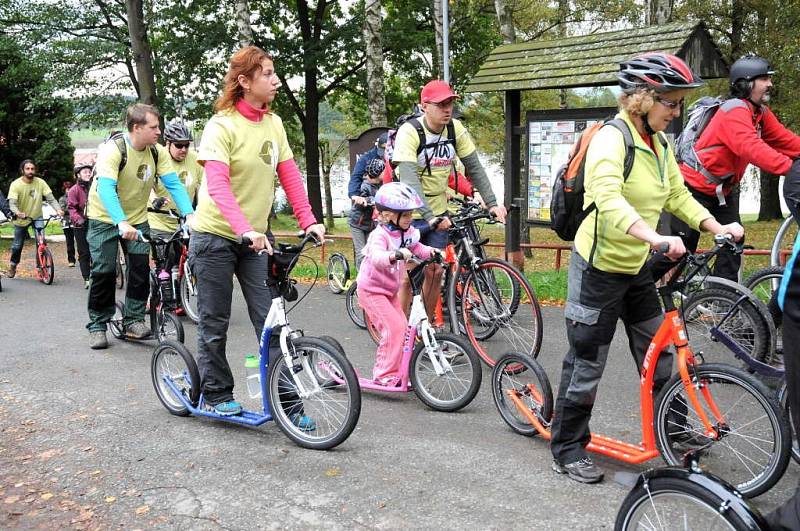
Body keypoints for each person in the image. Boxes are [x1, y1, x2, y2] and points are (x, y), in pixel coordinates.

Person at [548, 53, 745, 484]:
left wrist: (717, 225)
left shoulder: (660, 145)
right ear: (641, 98)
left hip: (635, 269)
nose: (676, 113)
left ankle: (672, 432)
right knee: (586, 363)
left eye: (677, 104)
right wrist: (654, 237)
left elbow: (677, 195)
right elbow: (608, 198)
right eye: (670, 104)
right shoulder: (611, 139)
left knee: (658, 356)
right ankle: (566, 449)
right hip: (598, 268)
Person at [190, 45, 325, 417]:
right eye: (267, 73)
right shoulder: (222, 125)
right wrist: (245, 229)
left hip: (255, 240)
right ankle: (216, 394)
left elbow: (290, 176)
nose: (275, 79)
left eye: (273, 72)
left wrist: (308, 219)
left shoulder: (274, 124)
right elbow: (217, 187)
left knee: (271, 322)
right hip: (215, 236)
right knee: (214, 322)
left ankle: (289, 404)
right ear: (244, 81)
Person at [651, 54, 800, 282]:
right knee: (678, 249)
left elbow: (786, 141)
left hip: (723, 191)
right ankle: (639, 290)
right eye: (763, 79)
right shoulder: (734, 111)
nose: (770, 83)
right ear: (745, 83)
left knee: (733, 239)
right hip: (693, 188)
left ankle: (721, 297)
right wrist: (792, 170)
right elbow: (751, 148)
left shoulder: (759, 114)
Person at [391, 80, 506, 317]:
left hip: (438, 211)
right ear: (424, 106)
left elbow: (474, 168)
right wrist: (430, 217)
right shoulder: (410, 131)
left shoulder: (455, 129)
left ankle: (428, 326)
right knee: (408, 274)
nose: (447, 109)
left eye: (450, 103)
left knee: (435, 271)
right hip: (407, 214)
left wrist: (492, 203)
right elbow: (410, 181)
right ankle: (400, 333)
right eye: (441, 104)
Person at [85, 104, 195, 349]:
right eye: (154, 127)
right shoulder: (113, 150)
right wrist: (120, 221)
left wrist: (189, 214)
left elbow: (173, 184)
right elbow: (105, 188)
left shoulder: (157, 152)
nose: (159, 132)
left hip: (137, 218)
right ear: (137, 128)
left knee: (139, 269)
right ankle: (97, 325)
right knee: (103, 272)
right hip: (104, 218)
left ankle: (133, 320)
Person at [356, 182, 437, 386]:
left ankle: (398, 371)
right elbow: (376, 257)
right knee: (394, 329)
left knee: (403, 327)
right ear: (389, 215)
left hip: (389, 291)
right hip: (371, 290)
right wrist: (395, 255)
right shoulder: (379, 235)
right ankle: (384, 374)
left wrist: (431, 253)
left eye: (410, 214)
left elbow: (417, 247)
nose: (410, 219)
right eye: (406, 215)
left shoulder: (407, 232)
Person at [147, 120, 203, 313]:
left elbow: (205, 188)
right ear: (168, 143)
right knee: (164, 261)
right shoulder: (158, 158)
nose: (184, 149)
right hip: (159, 219)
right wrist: (155, 199)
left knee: (187, 257)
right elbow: (147, 187)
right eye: (179, 145)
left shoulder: (196, 160)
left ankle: (181, 298)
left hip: (184, 221)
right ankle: (155, 297)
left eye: (187, 145)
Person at [6, 159, 64, 279]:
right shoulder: (16, 184)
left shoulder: (40, 182)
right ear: (22, 170)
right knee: (17, 245)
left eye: (32, 169)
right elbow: (12, 203)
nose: (30, 171)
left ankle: (41, 268)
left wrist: (58, 209)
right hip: (21, 219)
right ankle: (13, 265)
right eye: (27, 169)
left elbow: (51, 198)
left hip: (37, 216)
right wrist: (18, 212)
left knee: (41, 242)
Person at [348, 158, 384, 268]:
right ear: (378, 174)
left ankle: (371, 277)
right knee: (362, 253)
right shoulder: (365, 186)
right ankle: (361, 281)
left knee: (372, 251)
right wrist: (367, 200)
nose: (386, 172)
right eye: (383, 171)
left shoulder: (382, 184)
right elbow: (362, 198)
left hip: (370, 225)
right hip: (357, 224)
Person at [68, 164, 94, 288]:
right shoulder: (74, 190)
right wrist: (78, 219)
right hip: (81, 225)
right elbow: (71, 208)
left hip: (95, 221)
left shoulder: (96, 186)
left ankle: (98, 275)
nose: (88, 174)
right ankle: (86, 277)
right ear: (78, 174)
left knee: (97, 250)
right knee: (84, 252)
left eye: (89, 172)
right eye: (85, 172)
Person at [59, 179, 76, 267]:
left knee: (82, 241)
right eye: (67, 189)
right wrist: (72, 209)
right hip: (66, 223)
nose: (68, 190)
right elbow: (62, 210)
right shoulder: (62, 199)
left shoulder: (76, 196)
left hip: (77, 222)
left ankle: (84, 258)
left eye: (70, 188)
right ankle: (71, 260)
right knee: (69, 243)